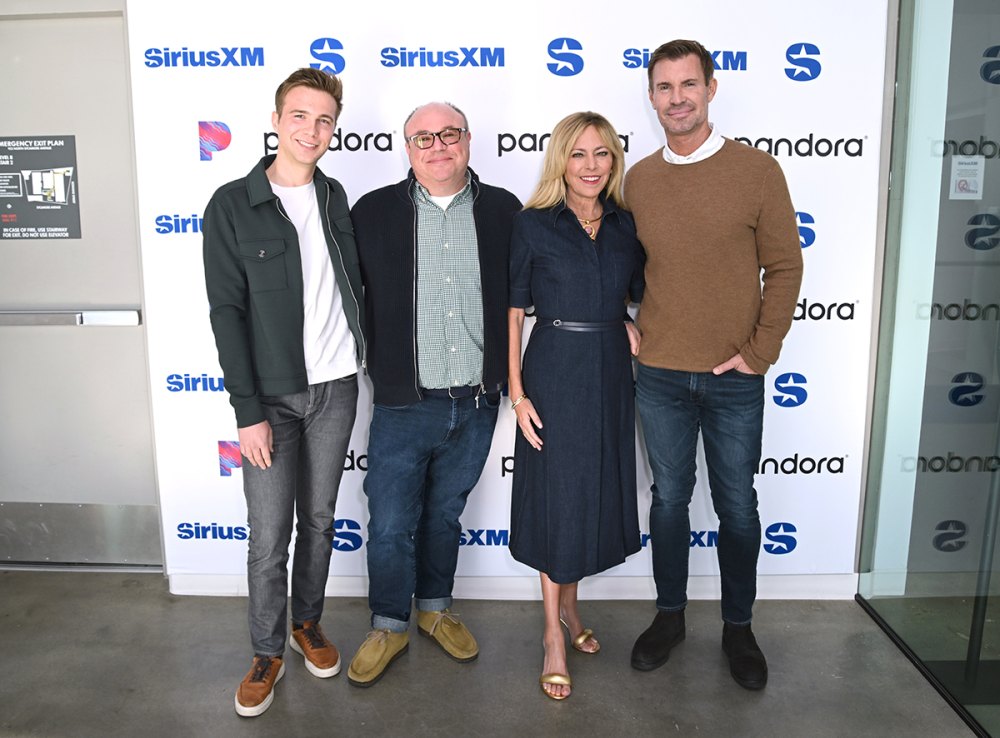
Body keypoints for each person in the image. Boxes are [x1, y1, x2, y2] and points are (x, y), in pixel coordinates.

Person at [625, 39, 803, 690]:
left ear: (711, 89)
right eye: (665, 87)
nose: (677, 98)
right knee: (669, 500)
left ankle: (738, 627)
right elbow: (623, 265)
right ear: (651, 97)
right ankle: (670, 616)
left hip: (735, 378)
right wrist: (625, 318)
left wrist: (759, 354)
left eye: (688, 84)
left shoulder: (758, 172)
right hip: (663, 376)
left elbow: (785, 266)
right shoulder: (637, 178)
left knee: (737, 505)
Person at [202, 67, 365, 717]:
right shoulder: (231, 205)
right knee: (270, 534)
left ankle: (307, 625)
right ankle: (266, 650)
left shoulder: (335, 197)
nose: (313, 129)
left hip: (337, 389)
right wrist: (248, 413)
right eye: (300, 115)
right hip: (270, 400)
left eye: (325, 119)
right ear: (276, 120)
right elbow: (226, 314)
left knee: (320, 521)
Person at [347, 102, 521, 687]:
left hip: (476, 400)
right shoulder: (372, 212)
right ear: (407, 148)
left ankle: (434, 610)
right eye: (424, 137)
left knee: (445, 514)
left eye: (449, 133)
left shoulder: (503, 209)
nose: (437, 145)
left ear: (468, 140)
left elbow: (531, 291)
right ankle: (389, 623)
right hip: (403, 400)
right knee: (393, 520)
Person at [508, 112, 645, 700]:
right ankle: (552, 635)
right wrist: (516, 393)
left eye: (602, 154)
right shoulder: (532, 224)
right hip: (554, 369)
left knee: (590, 493)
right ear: (560, 160)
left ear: (613, 160)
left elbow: (640, 291)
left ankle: (573, 611)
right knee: (558, 498)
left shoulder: (624, 224)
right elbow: (514, 312)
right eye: (578, 154)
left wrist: (630, 322)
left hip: (611, 368)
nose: (591, 166)